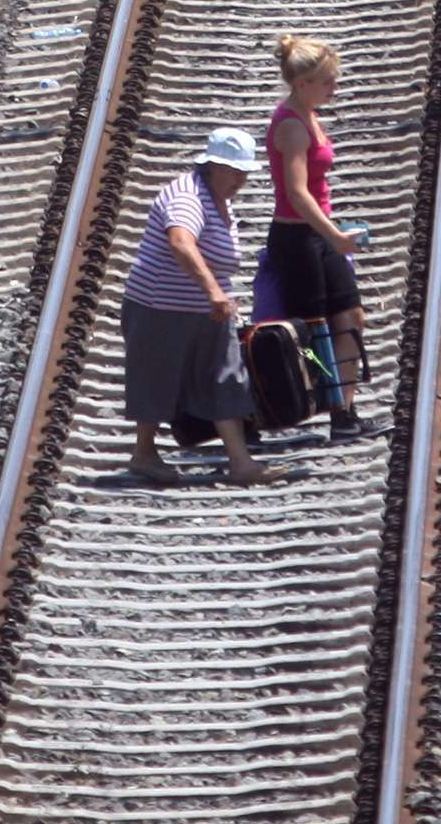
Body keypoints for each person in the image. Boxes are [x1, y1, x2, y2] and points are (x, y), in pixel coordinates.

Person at [121, 127, 279, 487]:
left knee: (225, 377)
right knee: (157, 381)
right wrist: (212, 290)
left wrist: (218, 294)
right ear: (211, 166)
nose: (240, 178)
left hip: (208, 311)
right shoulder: (187, 196)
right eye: (232, 170)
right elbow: (180, 242)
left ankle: (241, 462)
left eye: (244, 172)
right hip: (160, 306)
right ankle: (144, 453)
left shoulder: (220, 198)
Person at [260, 31, 370, 440]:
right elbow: (296, 193)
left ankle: (344, 411)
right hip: (298, 241)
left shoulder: (308, 113)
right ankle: (320, 397)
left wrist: (333, 235)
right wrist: (336, 237)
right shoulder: (291, 126)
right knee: (310, 330)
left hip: (319, 237)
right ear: (301, 84)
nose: (334, 88)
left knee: (351, 318)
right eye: (327, 81)